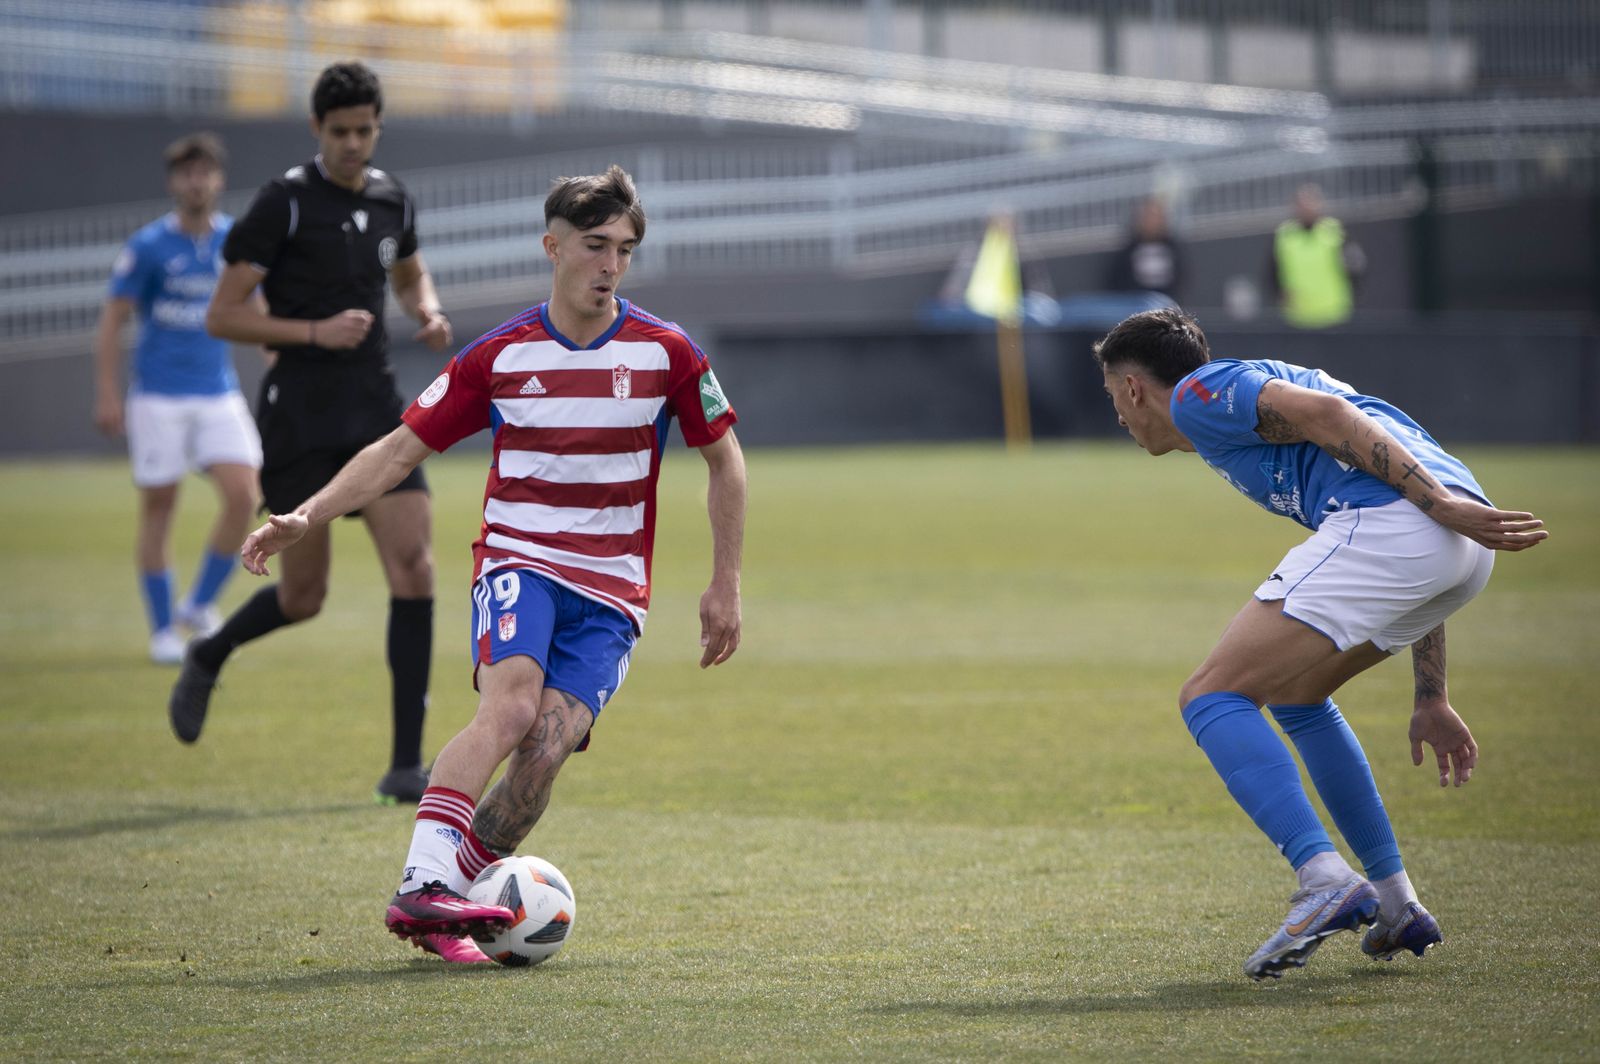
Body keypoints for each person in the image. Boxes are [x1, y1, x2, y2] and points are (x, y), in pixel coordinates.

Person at [238, 165, 746, 963]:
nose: (611, 264)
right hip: (521, 560)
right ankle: (422, 880)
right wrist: (309, 514)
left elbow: (726, 463)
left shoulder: (667, 352)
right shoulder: (501, 356)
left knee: (541, 757)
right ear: (553, 247)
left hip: (613, 592)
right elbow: (397, 450)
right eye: (594, 245)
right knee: (509, 712)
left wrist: (725, 583)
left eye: (624, 249)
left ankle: (446, 898)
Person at [1092, 308, 1546, 980]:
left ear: (1133, 388)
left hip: (1418, 517)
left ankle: (1322, 876)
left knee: (1210, 695)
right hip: (1458, 546)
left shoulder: (1196, 396)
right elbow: (1408, 540)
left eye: (1113, 396)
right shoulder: (1237, 399)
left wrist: (1436, 507)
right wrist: (1432, 693)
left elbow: (1329, 416)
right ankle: (1396, 902)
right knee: (1298, 696)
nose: (1119, 416)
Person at [166, 62, 453, 804]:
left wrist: (426, 309)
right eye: (340, 131)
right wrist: (315, 331)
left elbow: (410, 274)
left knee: (415, 568)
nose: (353, 143)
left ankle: (405, 766)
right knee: (304, 597)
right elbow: (223, 314)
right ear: (316, 129)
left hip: (376, 408)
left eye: (365, 130)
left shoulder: (392, 197)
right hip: (300, 414)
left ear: (378, 127)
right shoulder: (284, 203)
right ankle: (211, 651)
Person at [94, 133, 262, 665]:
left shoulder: (236, 241)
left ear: (219, 179)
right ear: (173, 182)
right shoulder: (148, 246)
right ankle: (164, 630)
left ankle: (198, 603)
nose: (197, 182)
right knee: (160, 507)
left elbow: (259, 314)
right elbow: (113, 319)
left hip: (218, 392)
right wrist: (107, 392)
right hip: (158, 397)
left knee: (245, 494)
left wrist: (280, 367)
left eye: (205, 171)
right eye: (188, 173)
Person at [1268, 183, 1366, 329]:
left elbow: (1355, 267)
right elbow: (1272, 271)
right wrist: (1279, 295)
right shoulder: (1284, 235)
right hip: (1297, 318)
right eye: (1302, 204)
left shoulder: (1335, 231)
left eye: (1311, 202)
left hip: (1334, 314)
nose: (1307, 208)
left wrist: (1354, 297)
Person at [1107, 196, 1183, 302]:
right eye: (1146, 217)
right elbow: (1117, 279)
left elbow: (1181, 277)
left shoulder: (1173, 249)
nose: (1151, 222)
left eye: (1155, 217)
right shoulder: (1128, 251)